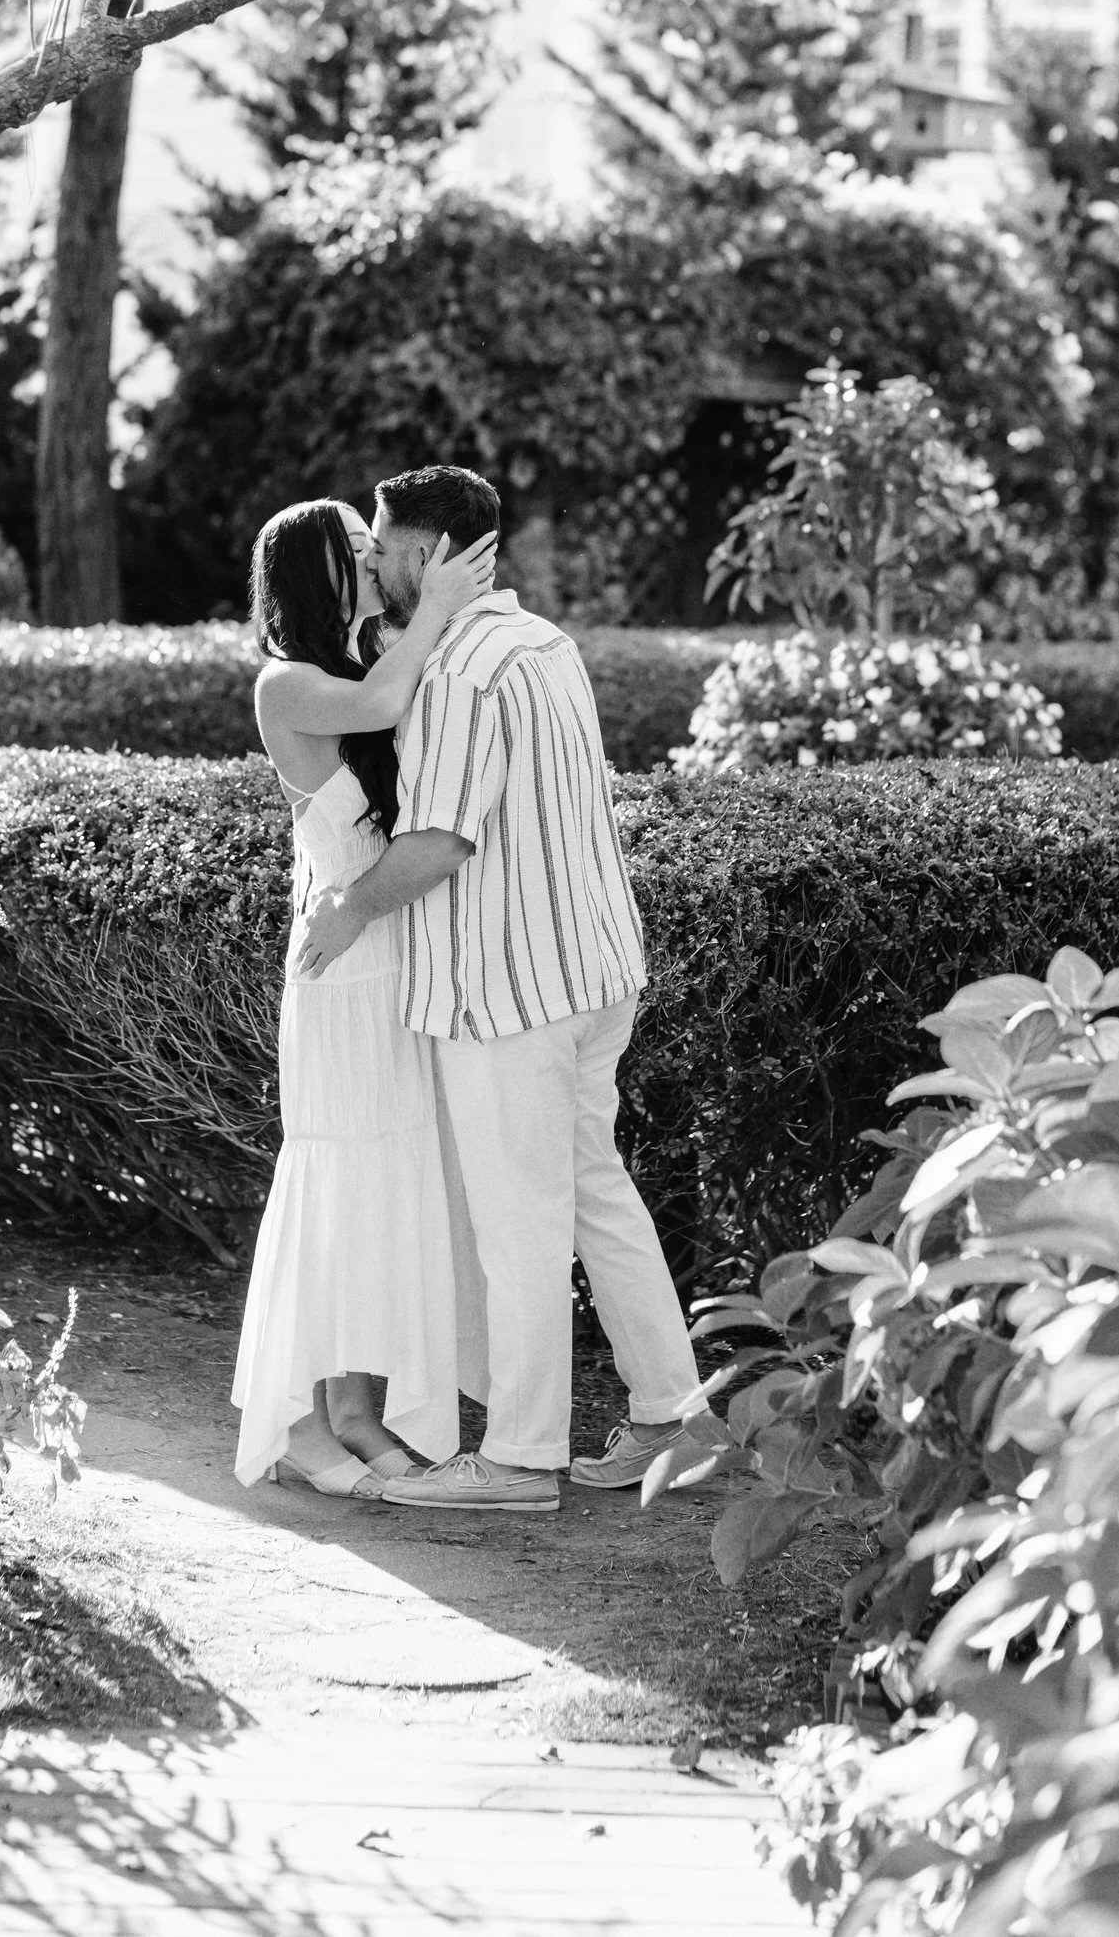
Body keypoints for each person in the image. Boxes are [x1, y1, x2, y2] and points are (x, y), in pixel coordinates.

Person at [298, 464, 701, 1514]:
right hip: (593, 968)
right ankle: (673, 1410)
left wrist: (349, 909)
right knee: (594, 1190)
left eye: (384, 545)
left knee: (521, 1222)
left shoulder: (465, 673)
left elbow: (436, 843)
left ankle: (521, 1459)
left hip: (508, 990)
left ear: (429, 556)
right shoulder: (542, 642)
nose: (373, 561)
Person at [232, 496, 498, 1498]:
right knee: (336, 1190)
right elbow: (389, 704)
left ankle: (356, 1411)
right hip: (339, 977)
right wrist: (434, 604)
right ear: (311, 572)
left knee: (388, 1188)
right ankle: (298, 1417)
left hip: (394, 962)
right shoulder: (286, 684)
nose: (367, 555)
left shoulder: (356, 661)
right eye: (351, 548)